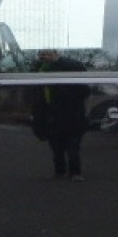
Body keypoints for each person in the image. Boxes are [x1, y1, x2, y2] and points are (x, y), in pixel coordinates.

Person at [32, 49, 89, 181]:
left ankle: (75, 172)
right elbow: (36, 94)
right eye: (43, 54)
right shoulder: (38, 69)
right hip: (51, 113)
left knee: (72, 146)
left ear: (56, 53)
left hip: (72, 113)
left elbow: (84, 89)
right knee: (56, 146)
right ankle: (60, 171)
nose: (45, 57)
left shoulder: (71, 66)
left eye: (48, 54)